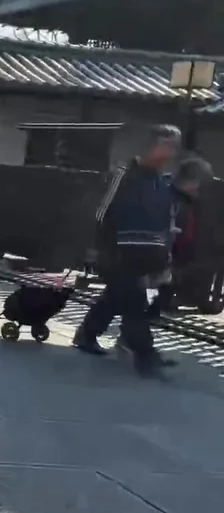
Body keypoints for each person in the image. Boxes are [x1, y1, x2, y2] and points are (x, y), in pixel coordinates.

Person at [73, 124, 182, 377]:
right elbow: (102, 213)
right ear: (150, 146)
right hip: (120, 251)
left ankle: (87, 335)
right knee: (135, 302)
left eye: (174, 146)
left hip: (148, 253)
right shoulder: (125, 176)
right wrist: (97, 248)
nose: (171, 152)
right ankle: (145, 355)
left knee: (116, 297)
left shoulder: (163, 182)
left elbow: (165, 221)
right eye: (166, 145)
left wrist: (164, 253)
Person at [150, 155, 213, 317]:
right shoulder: (169, 195)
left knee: (173, 278)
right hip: (167, 244)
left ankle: (156, 308)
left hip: (181, 244)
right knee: (165, 277)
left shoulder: (184, 197)